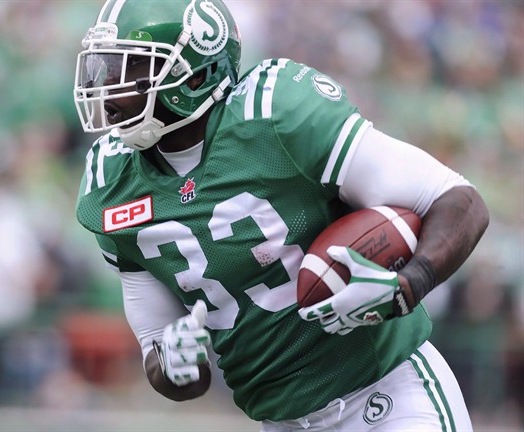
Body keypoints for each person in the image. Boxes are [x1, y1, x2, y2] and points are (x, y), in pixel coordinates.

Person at [72, 1, 489, 430]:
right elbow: (159, 350)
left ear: (194, 74)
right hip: (281, 421)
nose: (107, 88)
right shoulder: (111, 181)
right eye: (105, 67)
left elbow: (457, 200)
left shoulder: (274, 115)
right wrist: (176, 363)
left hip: (388, 395)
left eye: (131, 68)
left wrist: (407, 285)